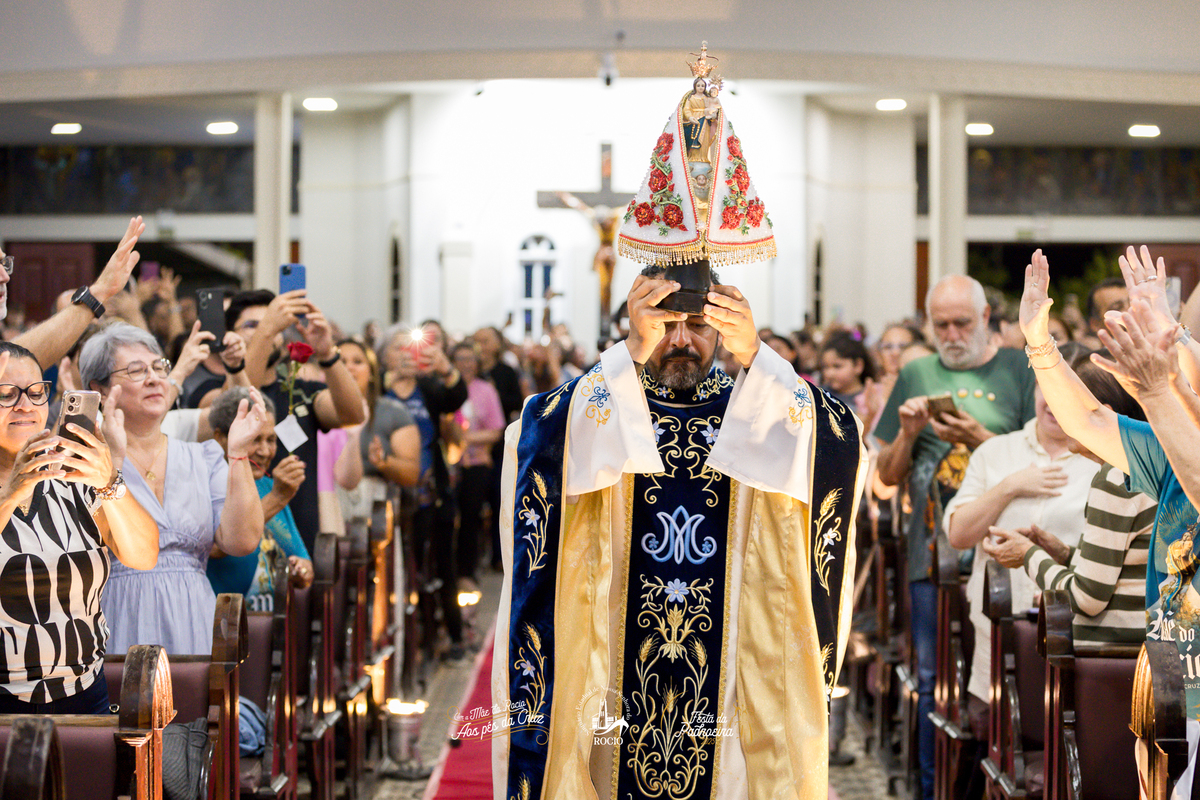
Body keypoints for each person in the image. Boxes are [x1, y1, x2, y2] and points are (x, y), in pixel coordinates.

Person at [492, 267, 866, 798]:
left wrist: (758, 356)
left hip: (729, 678)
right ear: (636, 322)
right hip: (614, 680)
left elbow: (834, 439)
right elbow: (535, 438)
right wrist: (628, 354)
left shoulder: (754, 411)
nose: (682, 340)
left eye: (699, 325)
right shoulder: (607, 407)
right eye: (665, 324)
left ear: (723, 330)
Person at [1020, 247, 1200, 796]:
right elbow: (1089, 419)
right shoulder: (1170, 446)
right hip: (1170, 695)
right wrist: (1038, 343)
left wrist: (1158, 380)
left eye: (1183, 343)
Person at [874, 274, 1036, 800]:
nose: (950, 332)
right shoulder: (916, 370)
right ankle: (932, 789)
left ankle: (988, 779)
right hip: (931, 551)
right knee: (932, 677)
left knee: (1002, 676)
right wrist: (907, 432)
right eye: (940, 323)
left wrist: (980, 440)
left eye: (961, 322)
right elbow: (888, 475)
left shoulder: (1018, 368)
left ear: (986, 316)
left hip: (1004, 549)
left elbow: (1040, 457)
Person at [79, 323, 266, 656]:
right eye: (136, 371)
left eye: (158, 367)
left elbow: (242, 540)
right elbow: (85, 544)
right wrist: (115, 459)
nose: (154, 378)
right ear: (101, 390)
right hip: (118, 617)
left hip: (194, 617)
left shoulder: (204, 456)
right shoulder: (84, 462)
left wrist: (238, 454)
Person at [0, 341, 158, 713]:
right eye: (7, 394)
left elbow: (144, 555)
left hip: (84, 692)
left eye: (37, 392)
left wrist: (108, 480)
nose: (26, 405)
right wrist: (10, 494)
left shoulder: (76, 479)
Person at [983, 351, 1156, 648]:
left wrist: (1027, 555)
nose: (1059, 416)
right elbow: (1122, 570)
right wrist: (1063, 553)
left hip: (1112, 659)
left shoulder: (1117, 476)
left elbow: (1086, 598)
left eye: (1067, 405)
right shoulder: (1144, 463)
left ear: (1101, 412)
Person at [943, 382, 1095, 717]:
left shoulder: (1102, 460)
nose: (1054, 402)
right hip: (998, 629)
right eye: (1046, 389)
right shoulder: (996, 451)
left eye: (1065, 391)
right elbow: (958, 535)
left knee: (1065, 731)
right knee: (993, 728)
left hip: (1075, 633)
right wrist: (1009, 487)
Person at [231, 289, 366, 550]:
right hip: (238, 542)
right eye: (252, 325)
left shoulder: (300, 392)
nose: (266, 329)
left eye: (271, 322)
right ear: (231, 335)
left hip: (299, 544)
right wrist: (267, 329)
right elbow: (240, 401)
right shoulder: (219, 391)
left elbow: (353, 415)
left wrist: (327, 353)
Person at [379, 322, 468, 659]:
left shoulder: (428, 388)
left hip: (431, 491)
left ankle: (453, 635)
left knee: (443, 565)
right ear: (384, 355)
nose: (405, 355)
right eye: (398, 348)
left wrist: (444, 366)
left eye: (410, 348)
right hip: (388, 492)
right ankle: (401, 642)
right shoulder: (377, 391)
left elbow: (457, 397)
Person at [206, 388, 313, 611]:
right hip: (225, 625)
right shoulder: (207, 487)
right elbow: (215, 549)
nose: (265, 451)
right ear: (220, 438)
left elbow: (304, 561)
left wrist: (301, 570)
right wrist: (277, 498)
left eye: (271, 440)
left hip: (275, 628)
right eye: (255, 439)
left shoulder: (268, 485)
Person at [449, 341, 505, 587]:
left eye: (470, 359)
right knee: (450, 518)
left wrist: (465, 438)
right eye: (460, 359)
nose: (465, 364)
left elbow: (496, 430)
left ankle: (467, 571)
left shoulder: (485, 390)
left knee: (471, 516)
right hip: (451, 461)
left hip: (477, 461)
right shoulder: (447, 388)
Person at [819, 332, 875, 412]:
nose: (829, 373)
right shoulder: (820, 395)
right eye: (825, 367)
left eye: (837, 366)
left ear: (858, 366)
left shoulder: (870, 397)